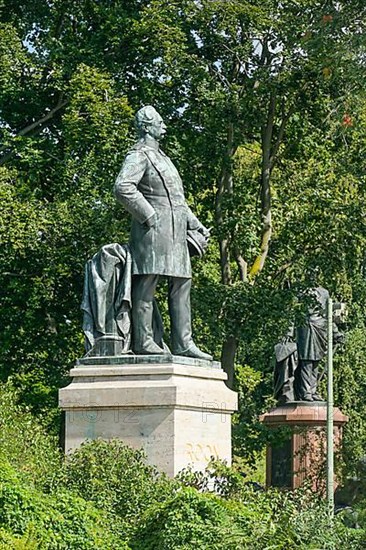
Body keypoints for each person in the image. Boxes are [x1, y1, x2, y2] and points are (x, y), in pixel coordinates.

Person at [114, 105, 212, 360]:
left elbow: (178, 200)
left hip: (177, 232)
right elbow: (123, 187)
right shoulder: (138, 155)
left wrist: (195, 224)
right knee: (148, 283)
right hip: (153, 232)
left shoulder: (164, 158)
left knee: (182, 284)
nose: (164, 126)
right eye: (160, 122)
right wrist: (149, 215)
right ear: (147, 127)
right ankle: (144, 342)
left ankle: (183, 343)